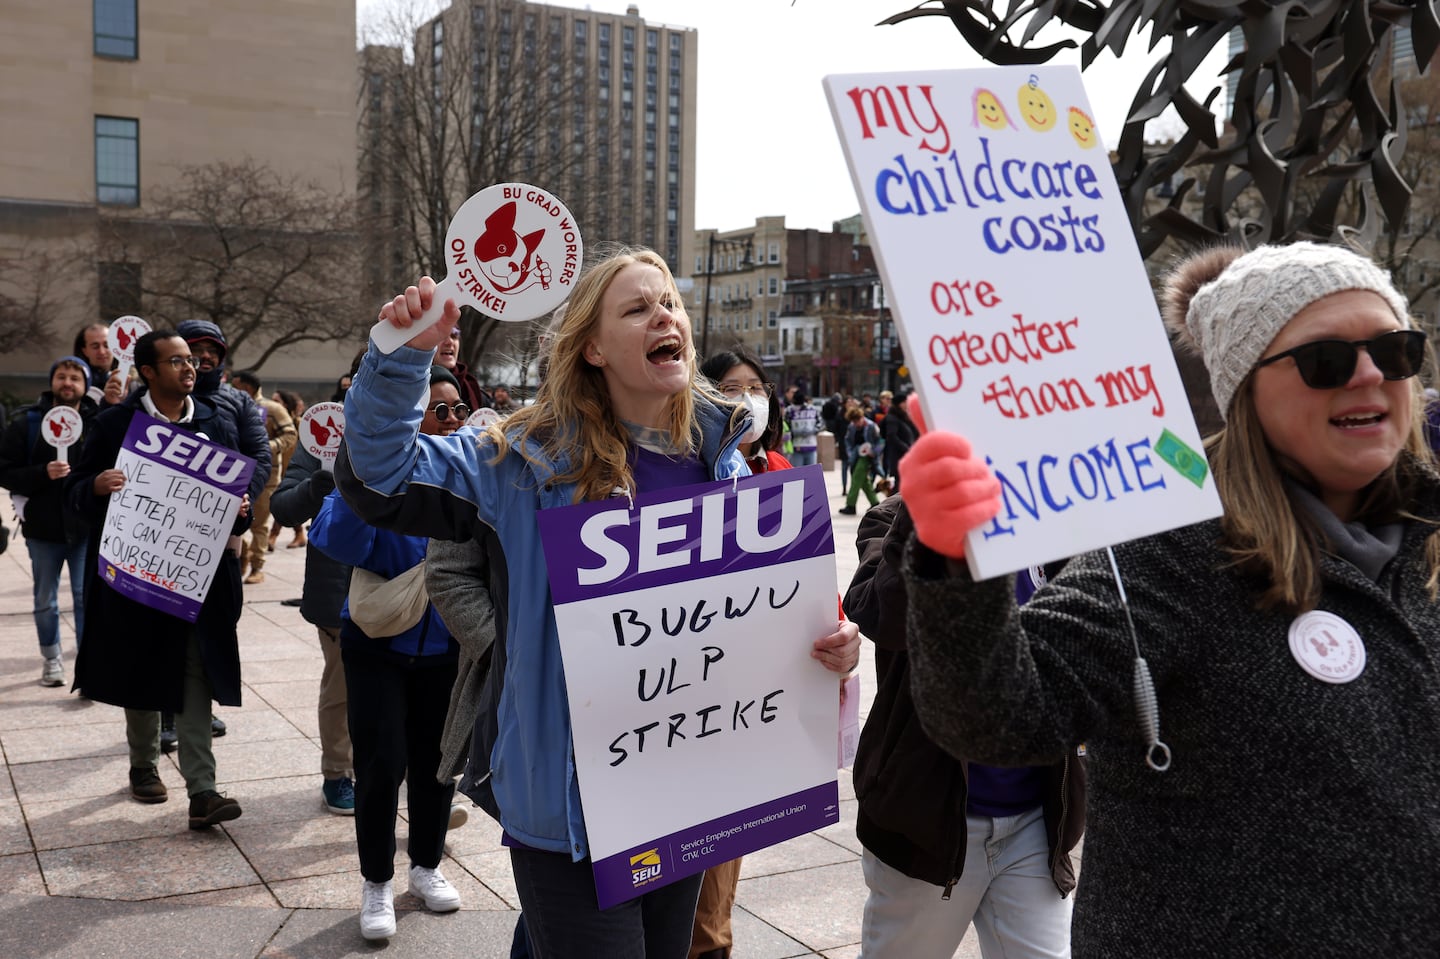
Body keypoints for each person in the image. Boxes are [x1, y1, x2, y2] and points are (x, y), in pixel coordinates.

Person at [898, 241, 1440, 956]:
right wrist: (954, 554)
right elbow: (1003, 712)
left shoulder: (1427, 540)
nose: (1369, 374)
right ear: (1245, 389)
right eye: (1326, 360)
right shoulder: (1175, 546)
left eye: (1394, 349)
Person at [335, 247, 861, 958]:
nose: (664, 315)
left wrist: (828, 644)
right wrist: (398, 358)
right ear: (592, 348)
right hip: (569, 810)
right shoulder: (519, 458)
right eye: (638, 308)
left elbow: (741, 623)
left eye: (669, 303)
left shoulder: (724, 459)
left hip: (686, 793)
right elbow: (382, 476)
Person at [844, 495, 1084, 958]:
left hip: (1036, 821)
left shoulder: (1054, 513)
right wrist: (928, 504)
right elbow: (883, 616)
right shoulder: (895, 516)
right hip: (928, 826)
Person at [65, 330, 257, 830]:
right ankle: (144, 765)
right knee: (143, 668)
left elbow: (235, 511)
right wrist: (95, 485)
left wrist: (241, 510)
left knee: (196, 674)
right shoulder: (113, 426)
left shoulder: (215, 423)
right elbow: (75, 494)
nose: (189, 368)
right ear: (147, 372)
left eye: (191, 360)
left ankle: (202, 789)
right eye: (176, 361)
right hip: (135, 579)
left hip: (198, 581)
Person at [310, 364, 467, 942]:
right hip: (376, 643)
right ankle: (376, 881)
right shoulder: (373, 473)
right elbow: (336, 541)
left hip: (448, 644)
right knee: (381, 765)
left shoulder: (473, 475)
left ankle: (426, 867)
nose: (450, 422)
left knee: (436, 763)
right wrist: (365, 471)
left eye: (457, 411)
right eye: (438, 411)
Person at [0, 356, 100, 686]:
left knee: (86, 597)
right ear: (52, 381)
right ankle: (52, 658)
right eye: (61, 376)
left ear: (85, 387)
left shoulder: (98, 424)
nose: (68, 382)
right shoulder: (26, 423)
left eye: (75, 378)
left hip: (85, 527)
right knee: (46, 598)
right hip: (42, 529)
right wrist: (43, 473)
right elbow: (5, 472)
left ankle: (88, 665)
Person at [270, 440, 355, 817]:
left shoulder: (424, 432)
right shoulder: (323, 436)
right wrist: (314, 486)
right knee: (342, 685)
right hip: (338, 590)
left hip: (408, 585)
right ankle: (337, 772)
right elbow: (284, 507)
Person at [230, 369, 296, 585]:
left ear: (247, 387)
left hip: (266, 477)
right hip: (236, 475)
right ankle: (245, 555)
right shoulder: (232, 407)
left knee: (259, 525)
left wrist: (264, 448)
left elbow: (290, 435)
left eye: (236, 385)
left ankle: (257, 567)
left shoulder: (272, 408)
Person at [701, 346, 791, 474]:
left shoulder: (780, 467)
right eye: (731, 388)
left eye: (755, 387)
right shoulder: (691, 473)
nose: (748, 400)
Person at [268, 389, 308, 549]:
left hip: (293, 468)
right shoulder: (272, 420)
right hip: (277, 467)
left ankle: (274, 535)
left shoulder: (298, 423)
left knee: (286, 502)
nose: (273, 404)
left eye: (277, 401)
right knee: (283, 503)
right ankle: (297, 534)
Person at [434, 322, 494, 412]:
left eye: (454, 336)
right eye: (442, 336)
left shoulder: (476, 394)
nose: (449, 342)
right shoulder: (411, 390)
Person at [839, 406, 881, 516]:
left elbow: (880, 442)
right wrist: (849, 453)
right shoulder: (851, 427)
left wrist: (874, 452)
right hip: (855, 455)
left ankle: (851, 505)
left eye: (858, 420)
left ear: (862, 417)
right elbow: (847, 441)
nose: (856, 423)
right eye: (854, 421)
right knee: (864, 482)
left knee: (856, 478)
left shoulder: (871, 426)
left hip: (867, 456)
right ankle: (875, 502)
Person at [73, 322, 125, 407]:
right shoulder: (74, 387)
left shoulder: (131, 385)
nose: (102, 351)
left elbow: (148, 420)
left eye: (106, 345)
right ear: (84, 351)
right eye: (95, 346)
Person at [879, 387, 918, 494]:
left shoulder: (903, 417)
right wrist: (906, 448)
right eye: (905, 402)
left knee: (904, 485)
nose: (907, 404)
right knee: (899, 486)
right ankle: (894, 509)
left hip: (906, 456)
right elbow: (891, 436)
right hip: (899, 457)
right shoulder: (893, 418)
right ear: (899, 404)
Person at [786, 390, 820, 468]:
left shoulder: (812, 409)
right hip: (795, 448)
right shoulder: (789, 410)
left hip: (811, 446)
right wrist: (793, 432)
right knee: (797, 474)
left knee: (811, 473)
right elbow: (785, 426)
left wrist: (813, 431)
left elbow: (820, 423)